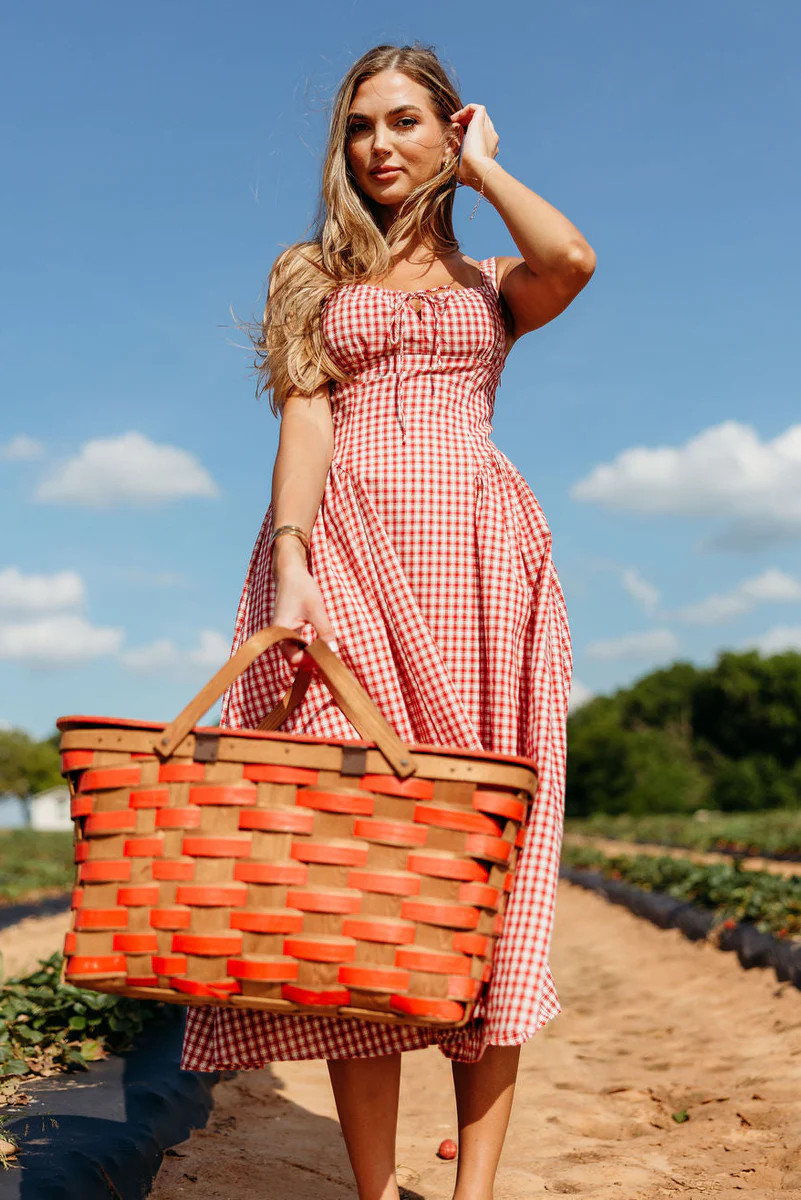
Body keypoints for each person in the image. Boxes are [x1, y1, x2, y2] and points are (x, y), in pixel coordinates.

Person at [181, 41, 595, 1200]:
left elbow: (576, 257)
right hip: (351, 560)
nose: (380, 145)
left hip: (480, 567)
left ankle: (473, 1194)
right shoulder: (307, 274)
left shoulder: (496, 283)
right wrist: (295, 561)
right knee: (358, 875)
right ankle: (374, 1194)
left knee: (488, 880)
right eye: (363, 125)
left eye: (407, 122)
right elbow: (304, 422)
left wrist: (486, 167)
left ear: (447, 131)